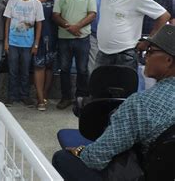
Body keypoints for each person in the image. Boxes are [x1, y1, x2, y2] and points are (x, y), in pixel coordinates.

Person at [52, 24, 175, 181]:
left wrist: (80, 151)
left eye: (150, 51)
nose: (145, 56)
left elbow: (97, 157)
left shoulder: (141, 104)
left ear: (168, 60)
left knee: (62, 158)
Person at [96, 0, 170, 70]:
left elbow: (164, 16)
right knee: (99, 86)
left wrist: (149, 41)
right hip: (102, 53)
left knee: (123, 86)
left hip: (124, 56)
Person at [53, 0, 96, 110]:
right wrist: (69, 27)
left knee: (82, 69)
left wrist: (77, 26)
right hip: (64, 39)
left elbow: (92, 14)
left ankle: (81, 97)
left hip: (82, 39)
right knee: (64, 69)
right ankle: (66, 97)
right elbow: (55, 15)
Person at [4, 0, 44, 109]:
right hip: (13, 43)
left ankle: (24, 96)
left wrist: (36, 44)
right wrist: (6, 41)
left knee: (25, 71)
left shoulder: (36, 3)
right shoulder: (12, 2)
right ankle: (11, 96)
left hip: (28, 44)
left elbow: (39, 24)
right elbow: (8, 22)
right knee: (13, 71)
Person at [33, 0, 61, 110]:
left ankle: (45, 94)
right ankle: (39, 98)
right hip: (37, 38)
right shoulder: (33, 0)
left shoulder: (56, 1)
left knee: (50, 67)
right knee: (39, 67)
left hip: (53, 38)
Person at [88, 0, 106, 75]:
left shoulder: (121, 0)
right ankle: (93, 88)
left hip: (111, 39)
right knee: (93, 66)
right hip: (94, 37)